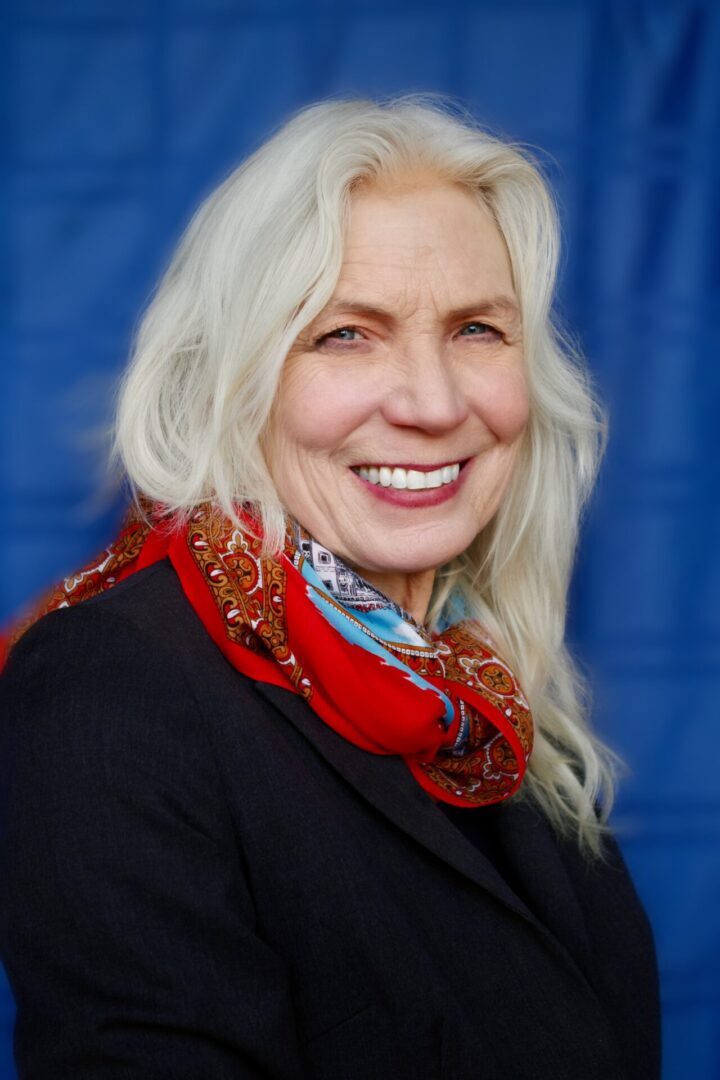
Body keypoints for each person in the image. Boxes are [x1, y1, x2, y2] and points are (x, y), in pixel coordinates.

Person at [0, 95, 660, 1078]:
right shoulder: (111, 689)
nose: (433, 404)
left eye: (478, 328)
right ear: (234, 373)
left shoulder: (481, 687)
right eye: (347, 334)